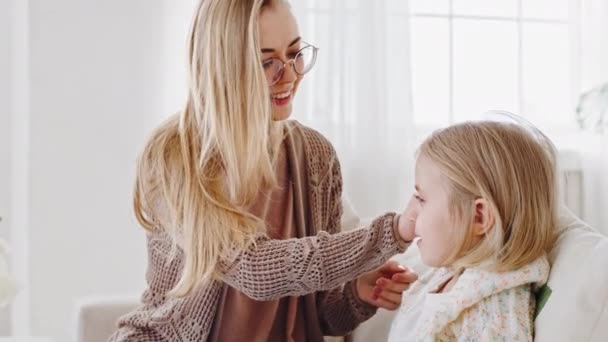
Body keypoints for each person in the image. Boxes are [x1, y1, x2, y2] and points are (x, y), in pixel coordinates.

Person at [110, 1, 419, 341]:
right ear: (222, 66)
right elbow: (254, 270)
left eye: (294, 53)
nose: (290, 75)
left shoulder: (317, 156)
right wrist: (394, 231)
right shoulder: (174, 157)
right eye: (266, 62)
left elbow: (321, 315)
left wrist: (358, 294)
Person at [387, 121, 557, 341]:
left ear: (479, 217)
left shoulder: (494, 313)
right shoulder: (456, 268)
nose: (410, 214)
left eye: (421, 199)